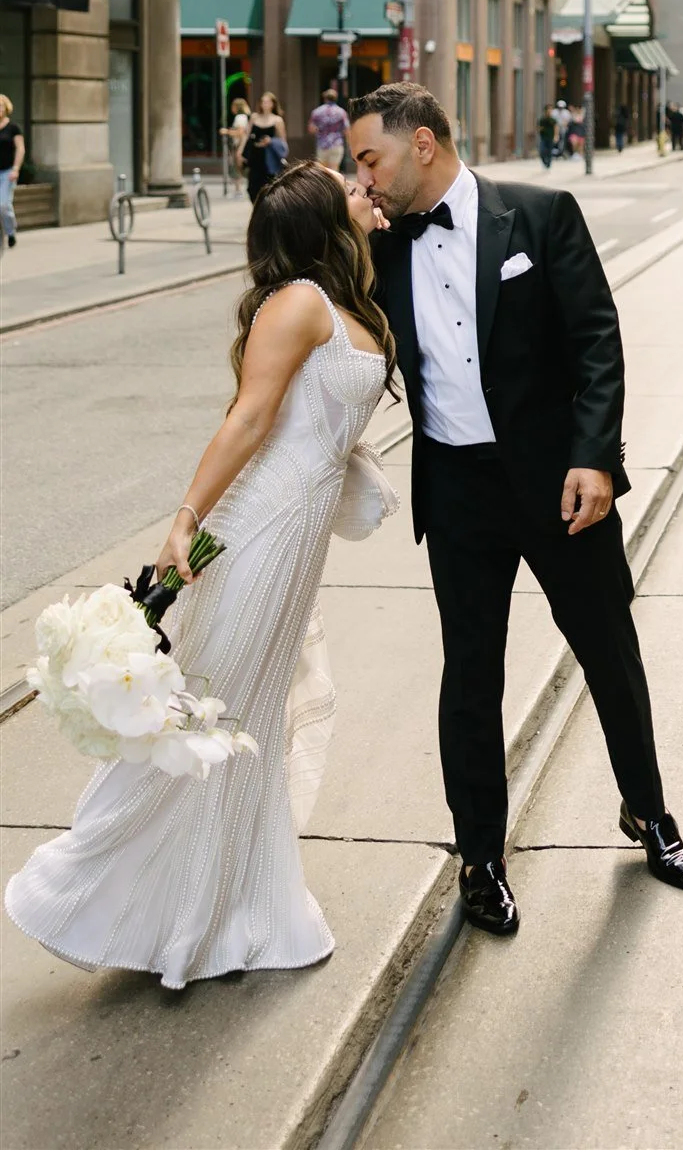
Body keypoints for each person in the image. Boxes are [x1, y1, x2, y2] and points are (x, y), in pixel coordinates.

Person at [4, 164, 395, 987]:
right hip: (255, 532)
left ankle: (228, 902)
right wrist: (184, 518)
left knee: (246, 713)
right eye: (350, 186)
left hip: (298, 541)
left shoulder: (351, 299)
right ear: (326, 216)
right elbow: (250, 417)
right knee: (214, 708)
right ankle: (117, 895)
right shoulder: (297, 302)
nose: (366, 187)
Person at [349, 82, 683, 936]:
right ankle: (479, 858)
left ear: (422, 144)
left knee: (608, 651)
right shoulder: (376, 244)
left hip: (558, 484)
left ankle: (647, 812)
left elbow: (595, 340)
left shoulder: (540, 217)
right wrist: (343, 236)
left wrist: (595, 459)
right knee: (470, 679)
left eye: (370, 160)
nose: (362, 177)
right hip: (459, 492)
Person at [244, 93, 288, 202]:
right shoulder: (254, 117)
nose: (265, 104)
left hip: (269, 158)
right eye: (263, 101)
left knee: (268, 187)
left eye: (267, 102)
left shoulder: (277, 120)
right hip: (255, 156)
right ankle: (256, 209)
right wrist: (241, 152)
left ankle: (265, 212)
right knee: (252, 188)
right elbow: (246, 136)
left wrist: (270, 141)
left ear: (273, 104)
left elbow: (283, 143)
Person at [0, 94, 24, 250]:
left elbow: (20, 149)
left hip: (7, 172)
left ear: (6, 108)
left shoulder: (13, 128)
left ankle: (10, 231)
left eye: (0, 106)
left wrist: (16, 168)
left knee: (3, 205)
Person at [309, 85, 350, 170]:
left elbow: (311, 129)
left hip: (322, 144)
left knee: (323, 171)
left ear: (325, 98)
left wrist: (320, 131)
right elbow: (347, 130)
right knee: (334, 169)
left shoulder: (317, 112)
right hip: (336, 143)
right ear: (336, 98)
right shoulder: (341, 112)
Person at [221, 95, 250, 197]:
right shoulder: (243, 117)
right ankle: (238, 190)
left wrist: (227, 131)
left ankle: (238, 191)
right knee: (237, 168)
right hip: (239, 145)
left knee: (237, 168)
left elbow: (240, 132)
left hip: (239, 145)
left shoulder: (240, 117)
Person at [536, 106, 557, 170]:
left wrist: (556, 136)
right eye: (548, 111)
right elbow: (538, 128)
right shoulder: (542, 119)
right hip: (543, 137)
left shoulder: (553, 120)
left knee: (549, 151)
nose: (549, 112)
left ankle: (548, 163)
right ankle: (545, 162)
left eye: (550, 111)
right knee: (542, 150)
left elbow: (556, 128)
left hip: (550, 137)